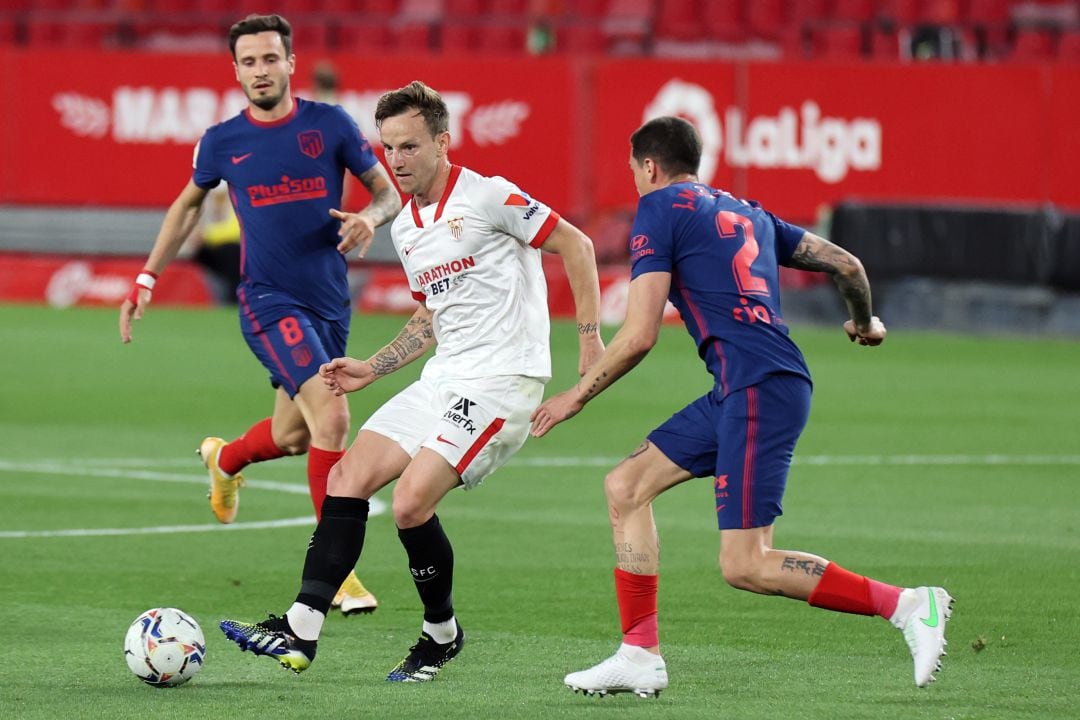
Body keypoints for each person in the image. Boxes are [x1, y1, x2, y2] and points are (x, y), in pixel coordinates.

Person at [529, 116, 953, 698]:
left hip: (757, 386)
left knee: (745, 564)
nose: (634, 180)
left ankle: (907, 605)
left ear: (649, 166)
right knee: (626, 487)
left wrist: (574, 396)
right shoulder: (747, 211)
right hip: (746, 384)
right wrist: (863, 321)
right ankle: (639, 655)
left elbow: (639, 334)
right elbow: (847, 264)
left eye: (633, 170)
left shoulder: (658, 209)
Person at [218, 79, 604, 682]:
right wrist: (374, 367)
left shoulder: (491, 196)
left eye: (409, 146)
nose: (395, 160)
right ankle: (301, 630)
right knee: (347, 475)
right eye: (388, 148)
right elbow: (430, 315)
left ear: (443, 142)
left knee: (407, 503)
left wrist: (589, 338)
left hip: (503, 382)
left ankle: (438, 633)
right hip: (443, 377)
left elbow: (576, 245)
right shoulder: (405, 229)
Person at [118, 14, 402, 615]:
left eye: (270, 59)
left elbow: (387, 192)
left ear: (291, 63)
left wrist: (370, 220)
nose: (260, 71)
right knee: (332, 415)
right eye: (248, 62)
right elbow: (187, 206)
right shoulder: (221, 141)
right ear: (236, 71)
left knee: (295, 434)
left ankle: (224, 458)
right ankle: (337, 566)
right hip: (268, 300)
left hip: (329, 300)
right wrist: (147, 275)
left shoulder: (329, 126)